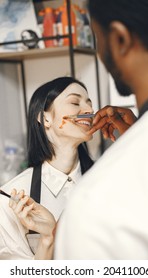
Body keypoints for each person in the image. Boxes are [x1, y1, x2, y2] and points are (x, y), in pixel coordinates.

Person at [51, 0, 148, 259]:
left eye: (97, 37)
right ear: (44, 119)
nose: (85, 109)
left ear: (119, 39)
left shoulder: (97, 201)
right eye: (74, 102)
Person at [0, 76, 135, 260]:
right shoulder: (11, 198)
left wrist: (136, 133)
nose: (89, 110)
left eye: (89, 103)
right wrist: (48, 239)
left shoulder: (111, 183)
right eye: (74, 102)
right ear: (44, 118)